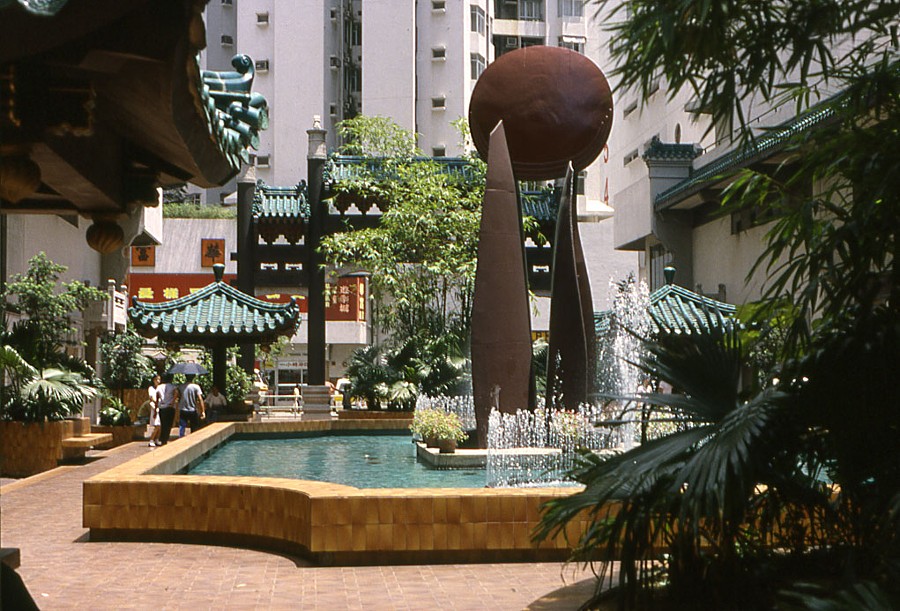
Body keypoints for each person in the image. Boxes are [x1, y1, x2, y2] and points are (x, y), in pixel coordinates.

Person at [155, 373, 180, 446]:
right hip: (170, 407)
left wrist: (156, 407)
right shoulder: (173, 386)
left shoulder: (159, 387)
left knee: (163, 424)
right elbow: (176, 393)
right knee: (169, 424)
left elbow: (157, 397)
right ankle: (165, 438)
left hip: (162, 407)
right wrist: (172, 402)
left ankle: (163, 439)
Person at [147, 374, 162, 447]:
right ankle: (151, 439)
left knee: (160, 425)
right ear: (153, 380)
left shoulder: (160, 388)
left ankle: (156, 439)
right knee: (157, 425)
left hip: (160, 407)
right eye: (156, 379)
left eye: (159, 379)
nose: (158, 381)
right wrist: (156, 402)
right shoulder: (151, 388)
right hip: (154, 408)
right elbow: (151, 397)